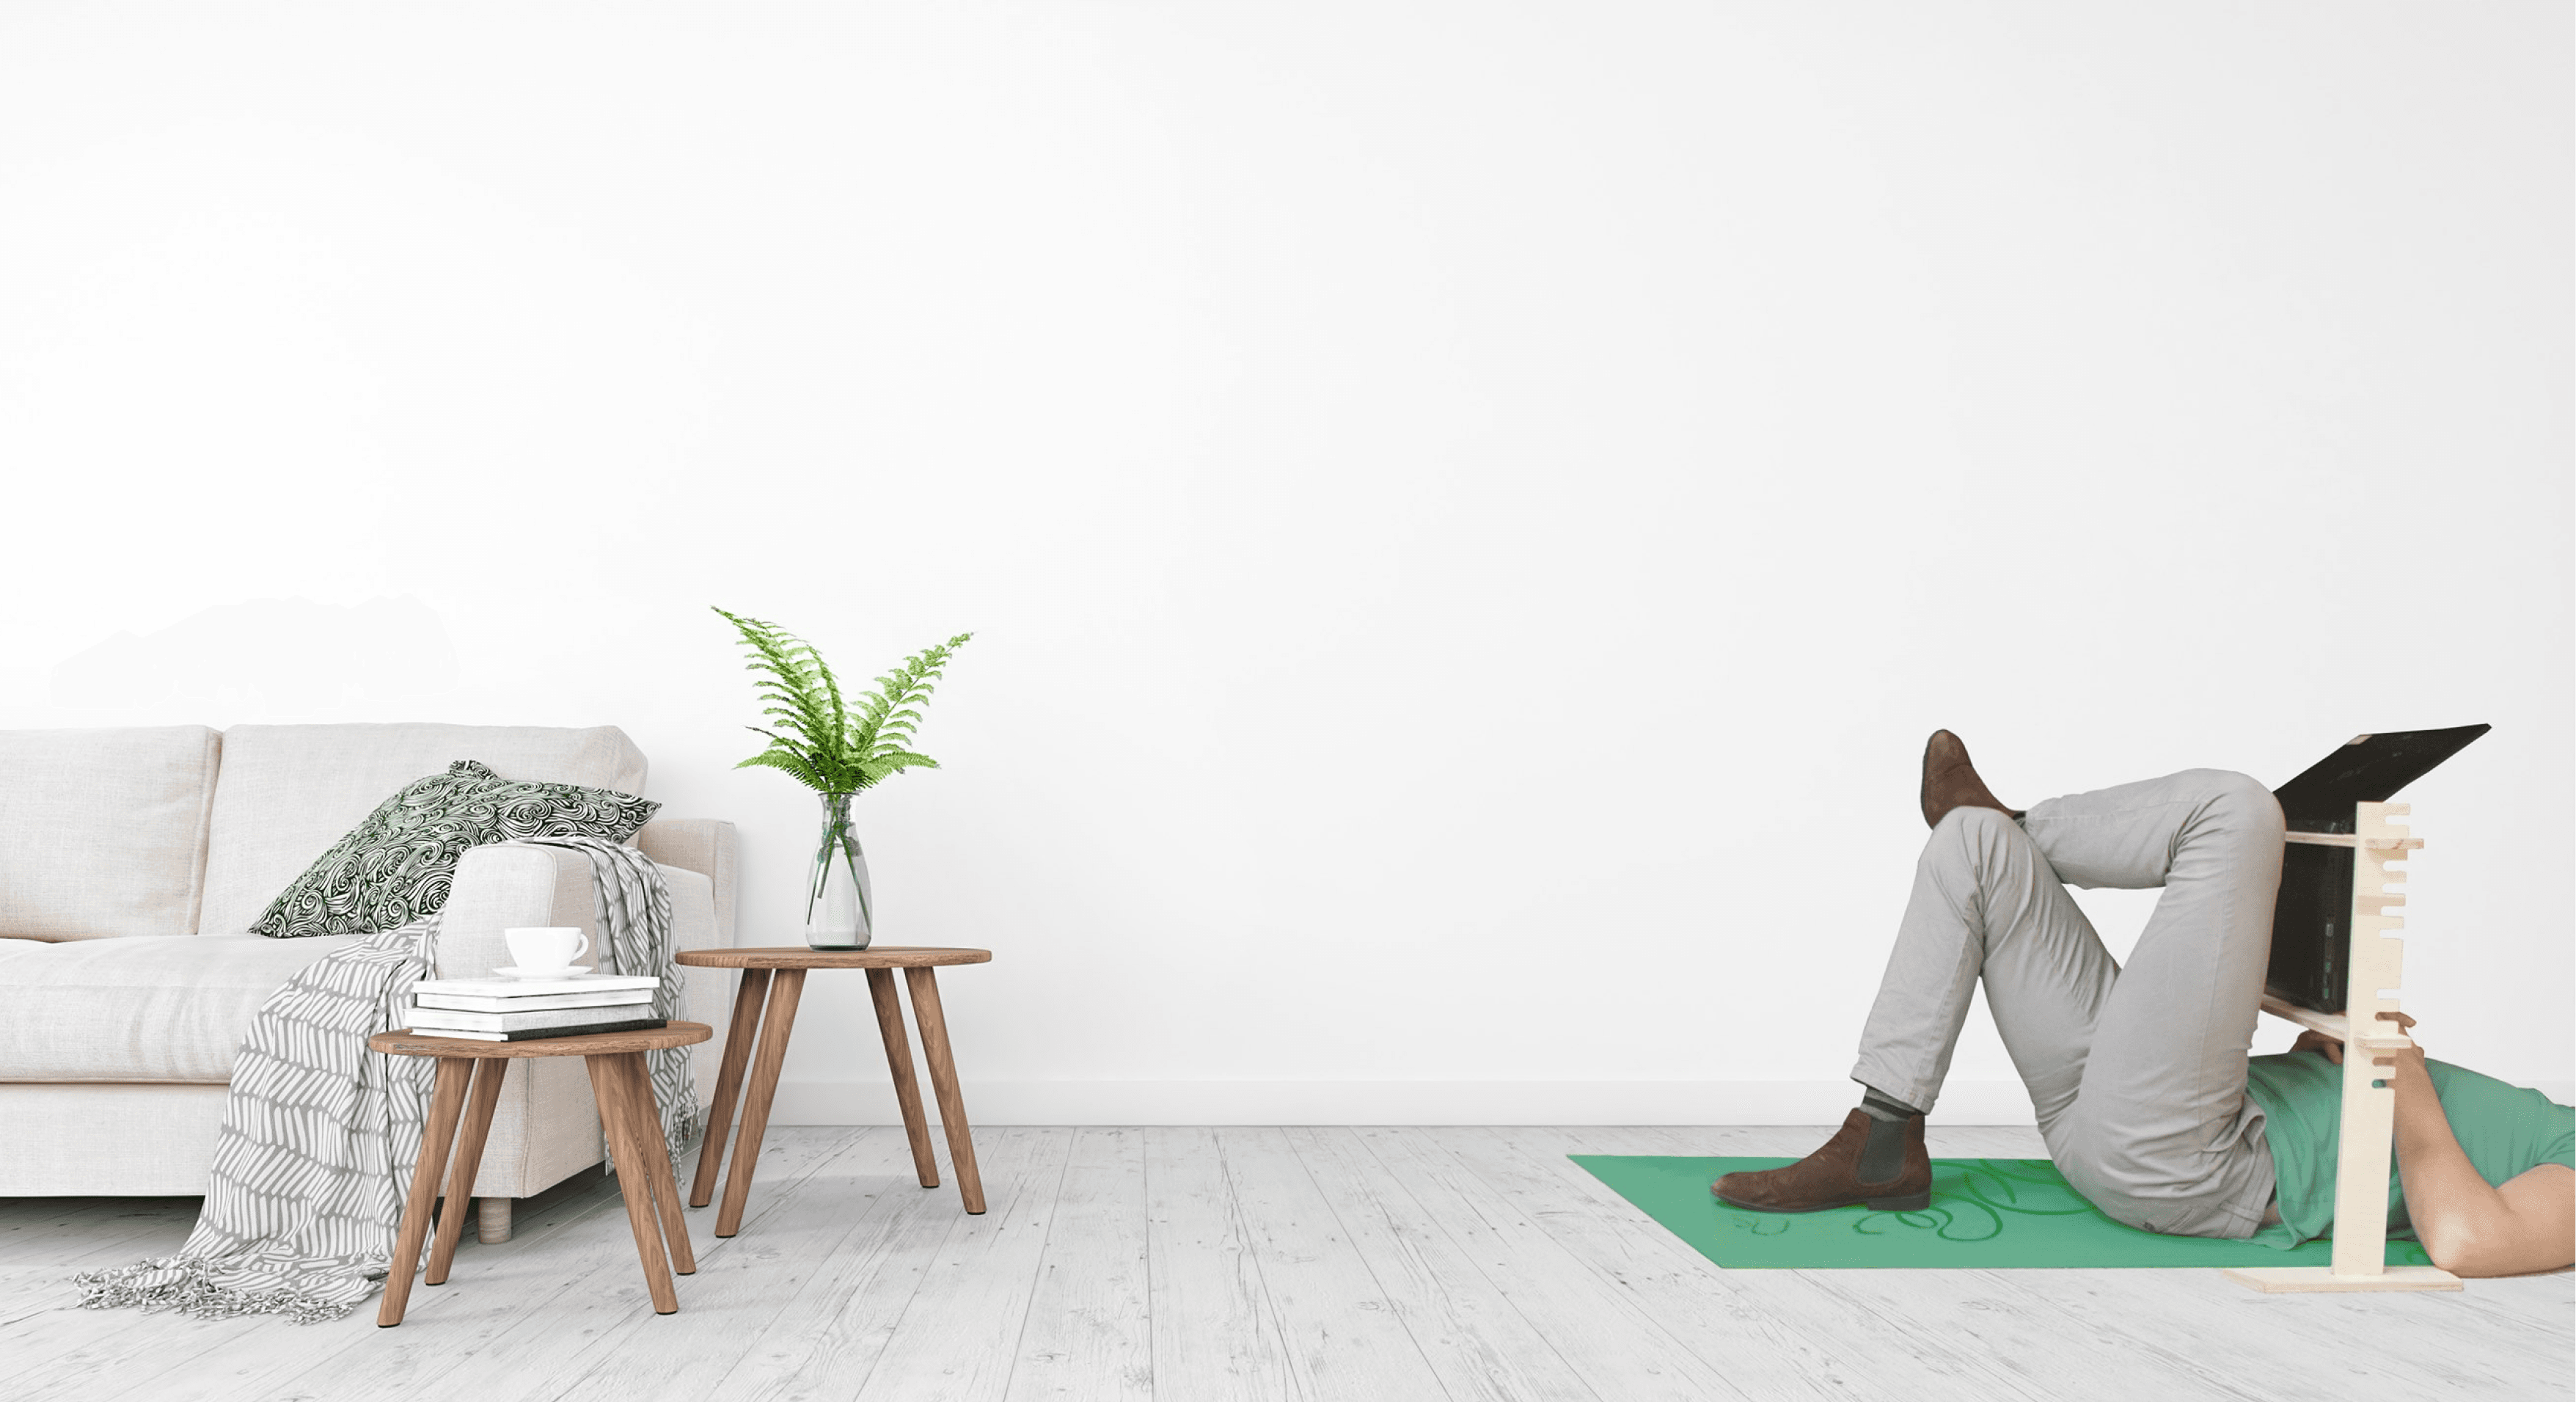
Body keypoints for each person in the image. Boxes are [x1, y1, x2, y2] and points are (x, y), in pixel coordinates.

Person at [1711, 733, 2575, 1277]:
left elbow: (2470, 1240)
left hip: (2190, 1158)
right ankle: (1883, 1139)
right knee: (1969, 847)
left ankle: (2018, 817)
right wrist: (2334, 1062)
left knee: (2233, 811)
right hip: (2129, 1112)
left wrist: (2401, 1079)